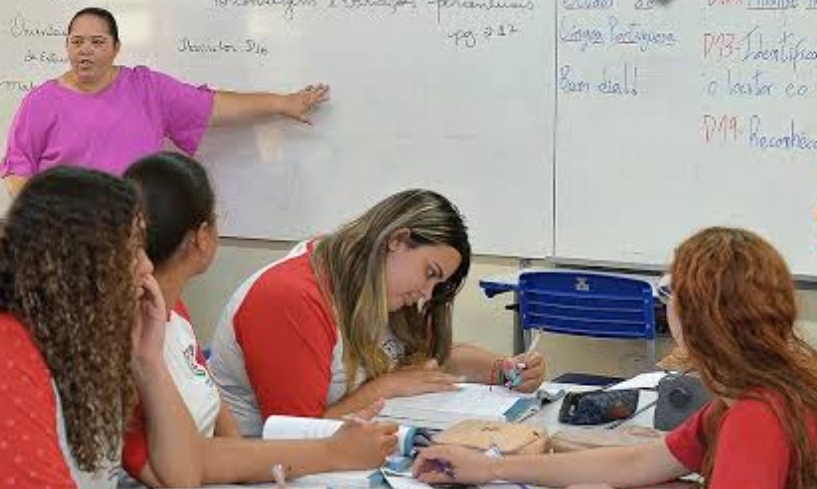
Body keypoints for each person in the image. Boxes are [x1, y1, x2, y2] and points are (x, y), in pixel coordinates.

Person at [413, 227, 817, 489]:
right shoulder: (750, 393)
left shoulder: (755, 416)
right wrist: (489, 468)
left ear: (697, 316)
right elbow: (638, 462)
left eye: (669, 293)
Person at [122, 152, 397, 487]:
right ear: (202, 237)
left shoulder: (172, 305)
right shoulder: (128, 336)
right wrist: (333, 451)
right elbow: (181, 471)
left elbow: (216, 409)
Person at [208, 189, 547, 437]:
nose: (427, 293)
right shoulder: (291, 298)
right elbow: (296, 437)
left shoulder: (381, 289)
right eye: (430, 273)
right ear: (397, 240)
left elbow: (435, 360)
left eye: (438, 283)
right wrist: (385, 387)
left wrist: (502, 369)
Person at [0, 166, 198, 489]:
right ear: (79, 263)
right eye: (133, 249)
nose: (148, 266)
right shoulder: (9, 348)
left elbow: (181, 476)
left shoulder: (89, 346)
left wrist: (148, 360)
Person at [1, 7, 329, 195]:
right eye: (77, 42)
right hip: (65, 239)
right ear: (67, 47)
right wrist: (48, 219)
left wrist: (282, 103)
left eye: (97, 42)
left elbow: (211, 106)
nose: (85, 50)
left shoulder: (147, 88)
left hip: (136, 237)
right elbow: (17, 169)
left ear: (116, 48)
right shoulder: (40, 101)